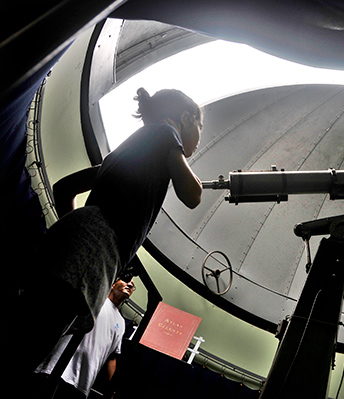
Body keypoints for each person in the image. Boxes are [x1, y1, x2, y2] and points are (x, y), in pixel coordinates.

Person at [13, 88, 203, 376]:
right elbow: (193, 195)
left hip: (73, 241)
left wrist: (76, 237)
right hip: (90, 250)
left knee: (23, 340)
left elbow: (64, 188)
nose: (200, 138)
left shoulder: (127, 153)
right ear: (186, 119)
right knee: (26, 352)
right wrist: (89, 243)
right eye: (200, 127)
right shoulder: (166, 131)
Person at [33, 277, 136, 399]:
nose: (130, 285)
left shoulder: (121, 322)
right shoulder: (97, 299)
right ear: (113, 284)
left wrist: (110, 390)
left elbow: (112, 357)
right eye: (126, 281)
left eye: (133, 286)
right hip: (57, 368)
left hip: (83, 383)